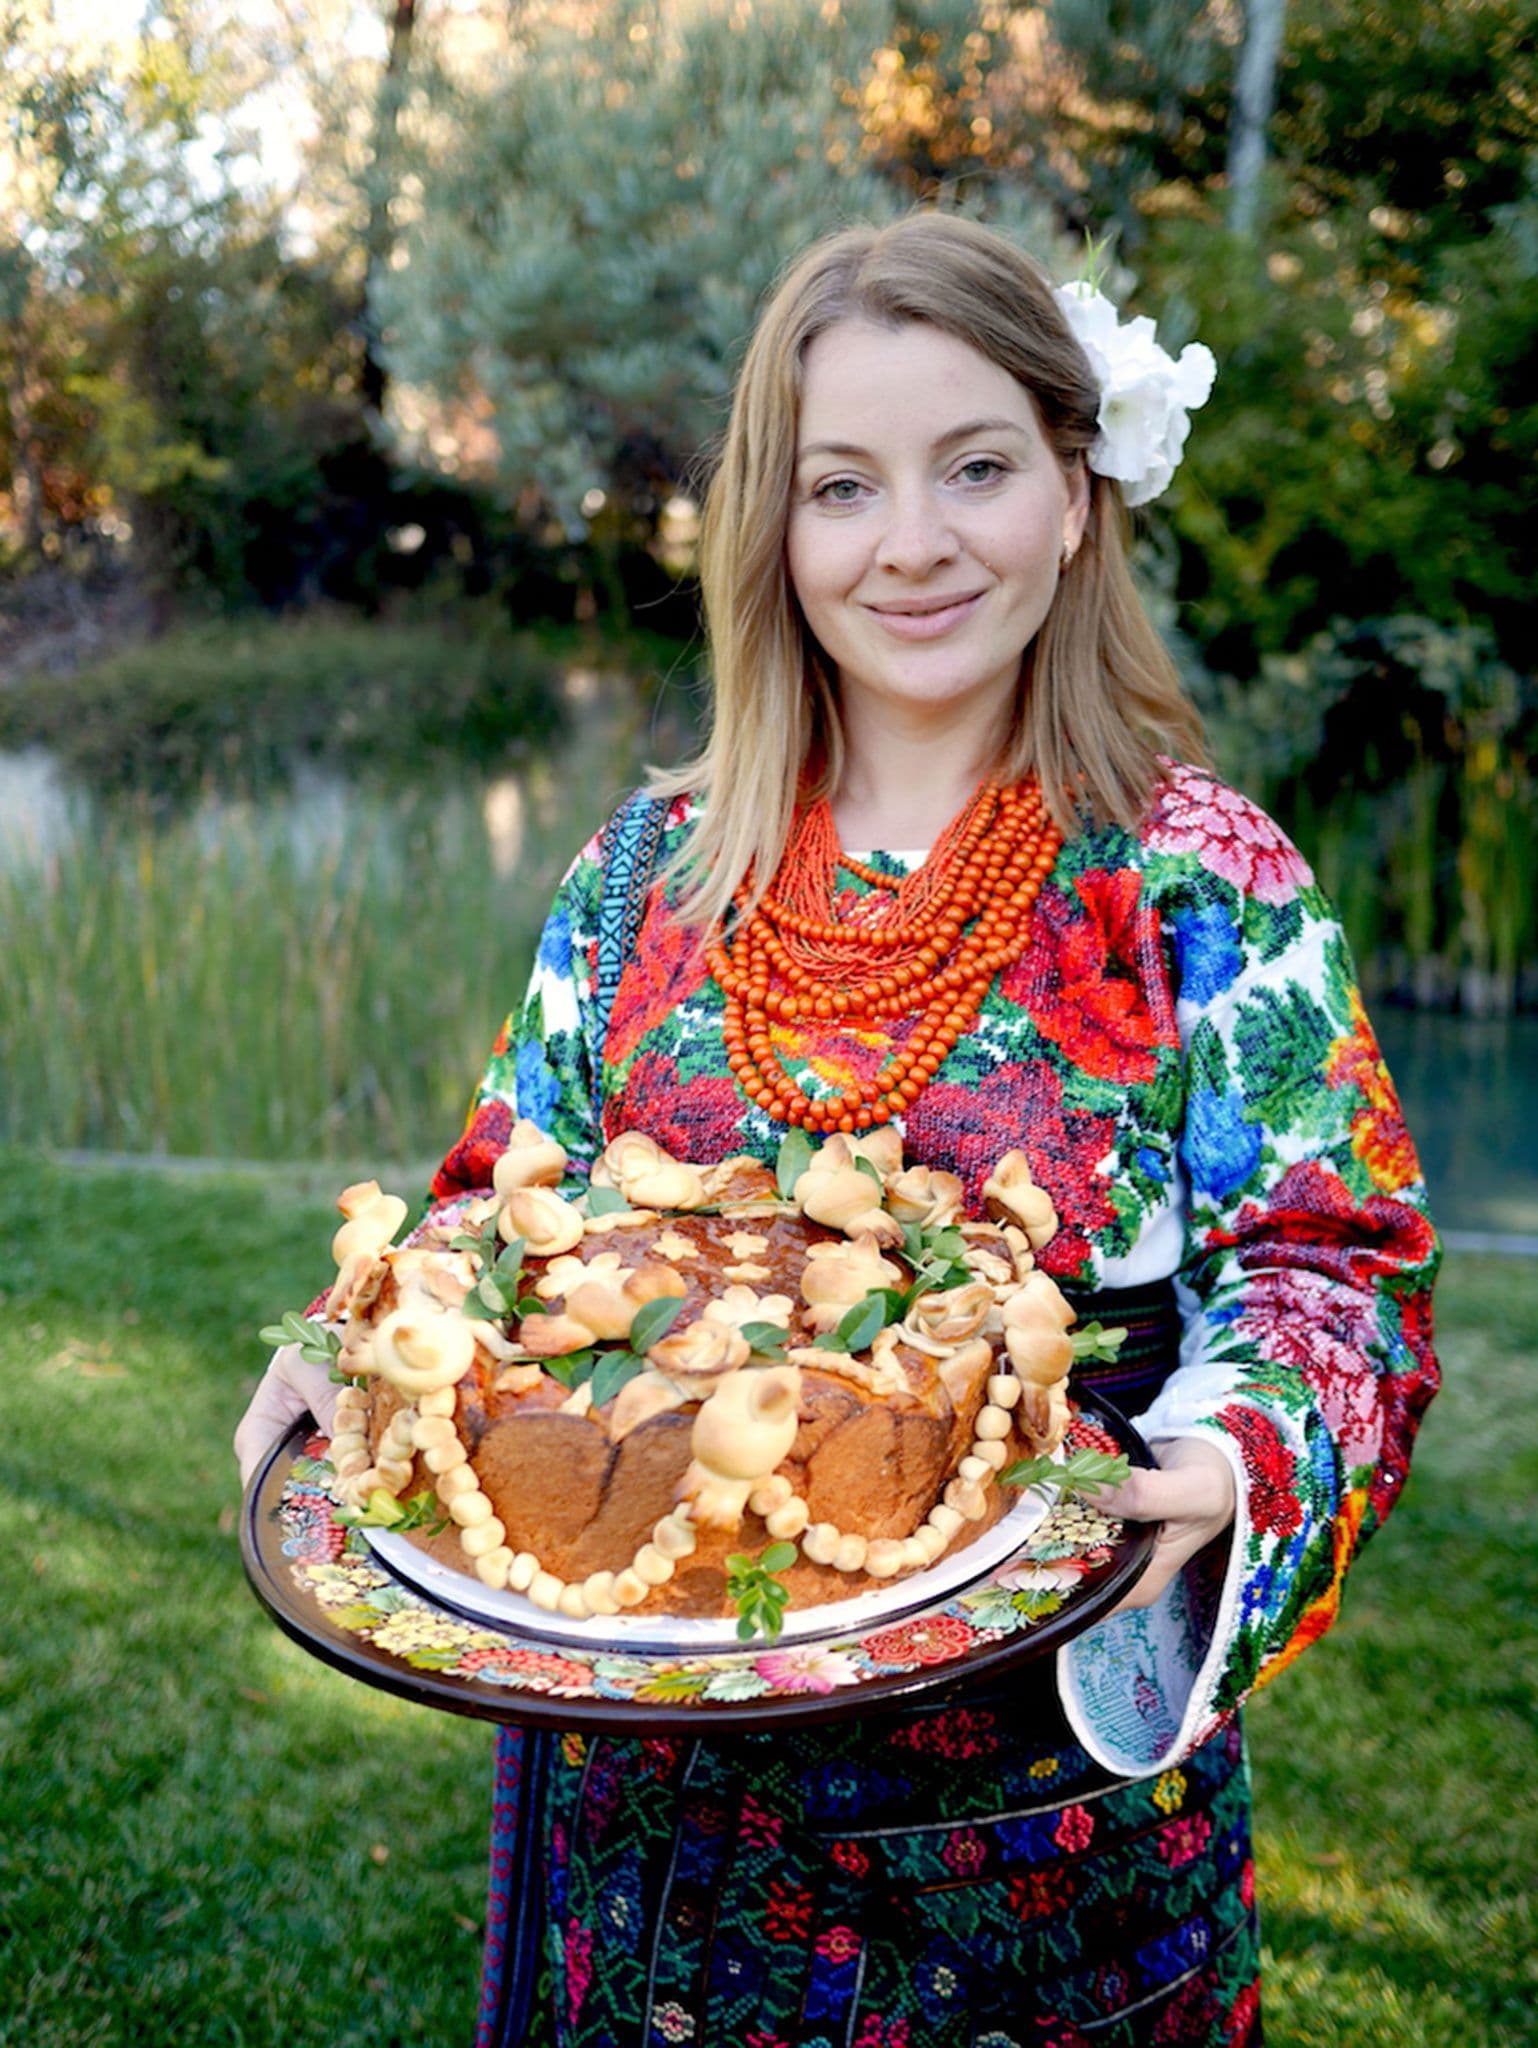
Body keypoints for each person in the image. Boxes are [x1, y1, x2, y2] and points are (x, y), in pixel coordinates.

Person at [236, 212, 1440, 2046]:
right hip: (645, 1822)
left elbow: (1327, 1271)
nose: (912, 544)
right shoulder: (642, 874)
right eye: (841, 487)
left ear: (1075, 489)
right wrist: (356, 1348)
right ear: (772, 536)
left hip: (1040, 1841)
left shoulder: (1201, 879)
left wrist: (1243, 1452)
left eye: (973, 467)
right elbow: (490, 1209)